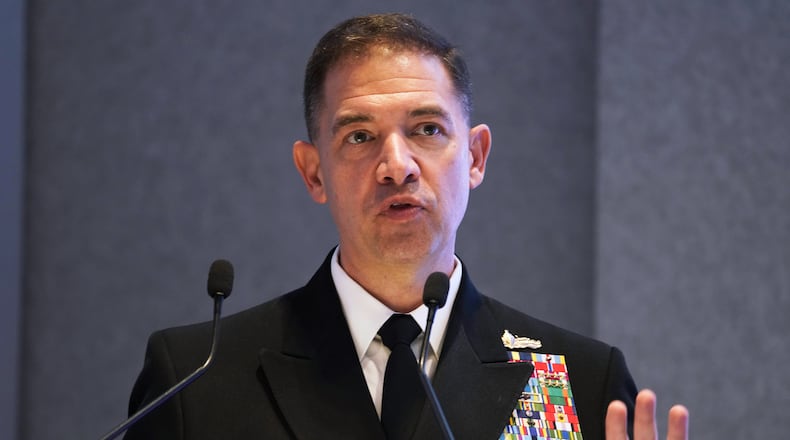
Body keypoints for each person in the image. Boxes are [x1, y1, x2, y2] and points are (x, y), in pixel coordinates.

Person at [124, 13, 688, 439]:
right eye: (360, 136)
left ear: (475, 157)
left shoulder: (581, 383)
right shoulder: (196, 381)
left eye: (426, 130)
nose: (397, 165)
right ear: (313, 171)